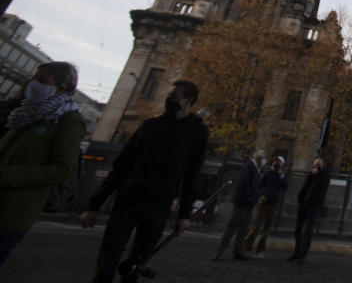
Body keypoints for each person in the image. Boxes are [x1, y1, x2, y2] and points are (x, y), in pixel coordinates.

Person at [81, 80, 208, 282]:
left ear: (189, 101)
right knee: (108, 256)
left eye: (175, 96)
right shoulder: (150, 126)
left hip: (158, 206)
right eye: (170, 95)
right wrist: (94, 204)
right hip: (128, 200)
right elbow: (122, 165)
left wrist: (184, 214)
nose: (169, 100)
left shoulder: (197, 133)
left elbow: (192, 174)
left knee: (136, 264)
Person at [0, 62, 85, 266]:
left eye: (42, 80)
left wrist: (5, 176)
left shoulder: (68, 120)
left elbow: (62, 170)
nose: (32, 83)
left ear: (61, 88)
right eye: (33, 78)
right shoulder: (23, 113)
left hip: (11, 212)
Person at [213, 149, 264, 261]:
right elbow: (243, 183)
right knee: (232, 227)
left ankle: (238, 252)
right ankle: (219, 252)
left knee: (243, 230)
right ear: (257, 157)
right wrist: (248, 198)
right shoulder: (249, 167)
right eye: (261, 157)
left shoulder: (255, 168)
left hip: (249, 204)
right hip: (244, 203)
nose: (263, 160)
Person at [244, 154, 288, 258]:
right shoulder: (268, 173)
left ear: (282, 164)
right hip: (263, 202)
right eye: (276, 161)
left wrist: (281, 176)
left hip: (273, 203)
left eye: (279, 162)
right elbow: (259, 185)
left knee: (266, 229)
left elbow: (285, 187)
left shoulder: (282, 175)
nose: (277, 163)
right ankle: (247, 245)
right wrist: (260, 196)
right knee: (255, 225)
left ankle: (259, 250)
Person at [288, 156, 330, 263]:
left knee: (308, 230)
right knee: (298, 228)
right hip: (304, 203)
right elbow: (305, 186)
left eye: (318, 164)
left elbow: (321, 187)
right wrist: (300, 198)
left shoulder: (324, 175)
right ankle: (297, 251)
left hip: (314, 204)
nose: (316, 166)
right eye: (315, 164)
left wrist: (316, 175)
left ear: (322, 165)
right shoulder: (311, 173)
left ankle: (303, 253)